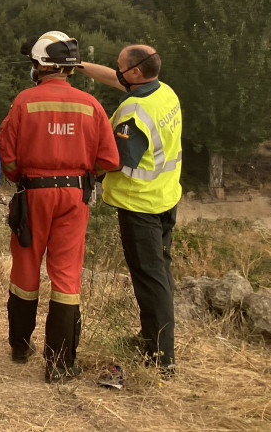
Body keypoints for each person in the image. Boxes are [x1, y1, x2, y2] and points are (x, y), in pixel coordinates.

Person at [0, 32, 119, 382]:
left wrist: (20, 176)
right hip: (74, 196)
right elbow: (109, 159)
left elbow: (6, 152)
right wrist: (82, 175)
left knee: (25, 269)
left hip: (33, 193)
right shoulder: (91, 105)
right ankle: (60, 363)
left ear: (40, 65)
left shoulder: (24, 102)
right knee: (66, 276)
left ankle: (20, 346)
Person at [80, 45, 182, 372]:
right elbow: (116, 80)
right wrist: (78, 65)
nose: (117, 70)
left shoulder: (133, 113)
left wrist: (79, 168)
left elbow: (116, 160)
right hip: (164, 199)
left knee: (150, 279)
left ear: (135, 73)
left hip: (140, 207)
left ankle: (160, 356)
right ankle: (152, 338)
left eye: (121, 66)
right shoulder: (164, 92)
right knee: (159, 273)